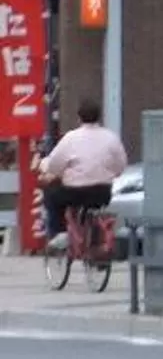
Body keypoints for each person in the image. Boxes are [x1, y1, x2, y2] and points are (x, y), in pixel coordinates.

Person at [36, 98, 126, 254]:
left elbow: (54, 165)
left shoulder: (71, 138)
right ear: (99, 116)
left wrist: (48, 169)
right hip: (102, 192)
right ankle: (96, 242)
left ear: (79, 117)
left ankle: (62, 233)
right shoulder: (111, 137)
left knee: (51, 194)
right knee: (93, 208)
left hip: (75, 192)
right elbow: (121, 165)